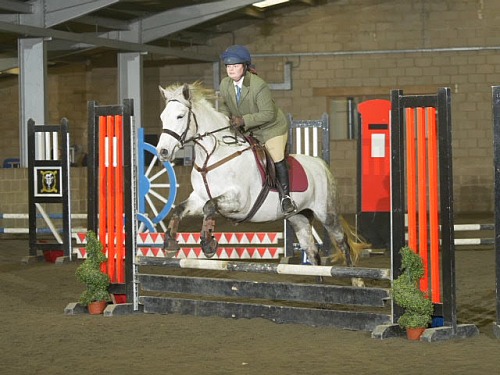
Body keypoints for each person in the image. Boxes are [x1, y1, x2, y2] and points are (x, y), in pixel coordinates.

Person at [218, 45, 297, 215]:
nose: (231, 70)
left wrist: (243, 120)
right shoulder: (225, 84)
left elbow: (268, 113)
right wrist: (225, 120)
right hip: (248, 129)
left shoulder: (258, 85)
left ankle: (286, 198)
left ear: (245, 67)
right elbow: (225, 106)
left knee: (276, 156)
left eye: (235, 66)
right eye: (228, 66)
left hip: (271, 128)